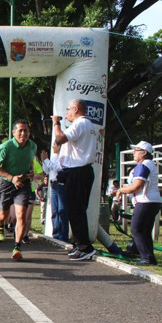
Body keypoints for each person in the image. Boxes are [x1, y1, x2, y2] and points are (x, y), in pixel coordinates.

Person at [52, 99, 98, 261]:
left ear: (76, 109)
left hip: (78, 171)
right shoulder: (88, 125)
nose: (66, 114)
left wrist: (56, 123)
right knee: (75, 209)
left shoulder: (80, 124)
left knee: (76, 210)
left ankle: (85, 246)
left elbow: (59, 139)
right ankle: (79, 243)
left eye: (68, 110)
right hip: (79, 171)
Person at [0, 120, 37, 260]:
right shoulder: (6, 147)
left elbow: (30, 162)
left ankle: (17, 247)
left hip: (23, 183)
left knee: (21, 214)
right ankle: (0, 224)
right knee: (4, 215)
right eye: (20, 130)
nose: (23, 133)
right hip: (7, 183)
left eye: (26, 131)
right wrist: (12, 178)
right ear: (14, 132)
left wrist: (31, 172)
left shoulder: (32, 146)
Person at [115, 141, 161, 265]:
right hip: (152, 201)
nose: (134, 153)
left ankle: (146, 258)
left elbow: (137, 187)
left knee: (137, 229)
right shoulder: (149, 164)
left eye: (136, 150)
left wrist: (121, 190)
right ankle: (145, 255)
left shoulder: (144, 165)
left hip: (145, 202)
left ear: (144, 153)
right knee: (144, 230)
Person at [41, 144, 70, 242]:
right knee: (54, 211)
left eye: (54, 145)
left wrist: (46, 161)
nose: (52, 147)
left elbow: (58, 168)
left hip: (61, 185)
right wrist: (44, 162)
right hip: (53, 185)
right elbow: (47, 171)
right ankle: (56, 234)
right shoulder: (53, 157)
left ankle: (63, 235)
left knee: (62, 210)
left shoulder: (64, 158)